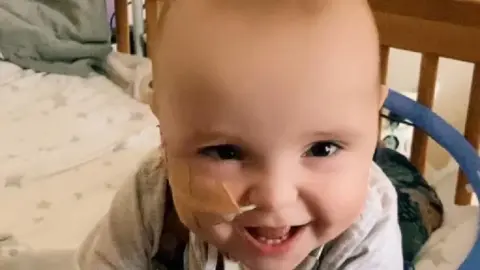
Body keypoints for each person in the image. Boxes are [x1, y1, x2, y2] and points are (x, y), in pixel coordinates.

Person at [76, 0, 403, 269]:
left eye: (323, 148)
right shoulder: (151, 199)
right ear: (165, 130)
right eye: (226, 152)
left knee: (412, 201)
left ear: (374, 121)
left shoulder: (365, 233)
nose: (275, 197)